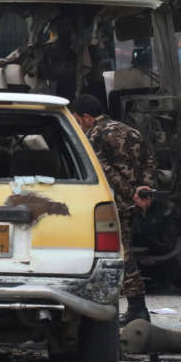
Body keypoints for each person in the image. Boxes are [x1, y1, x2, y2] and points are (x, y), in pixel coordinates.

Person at [71, 93, 157, 325]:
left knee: (122, 255)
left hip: (115, 204)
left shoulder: (94, 135)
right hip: (137, 202)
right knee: (125, 252)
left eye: (78, 120)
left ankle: (137, 309)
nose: (79, 125)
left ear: (87, 117)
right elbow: (149, 161)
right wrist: (144, 191)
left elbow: (103, 169)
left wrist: (130, 193)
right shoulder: (131, 131)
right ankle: (135, 309)